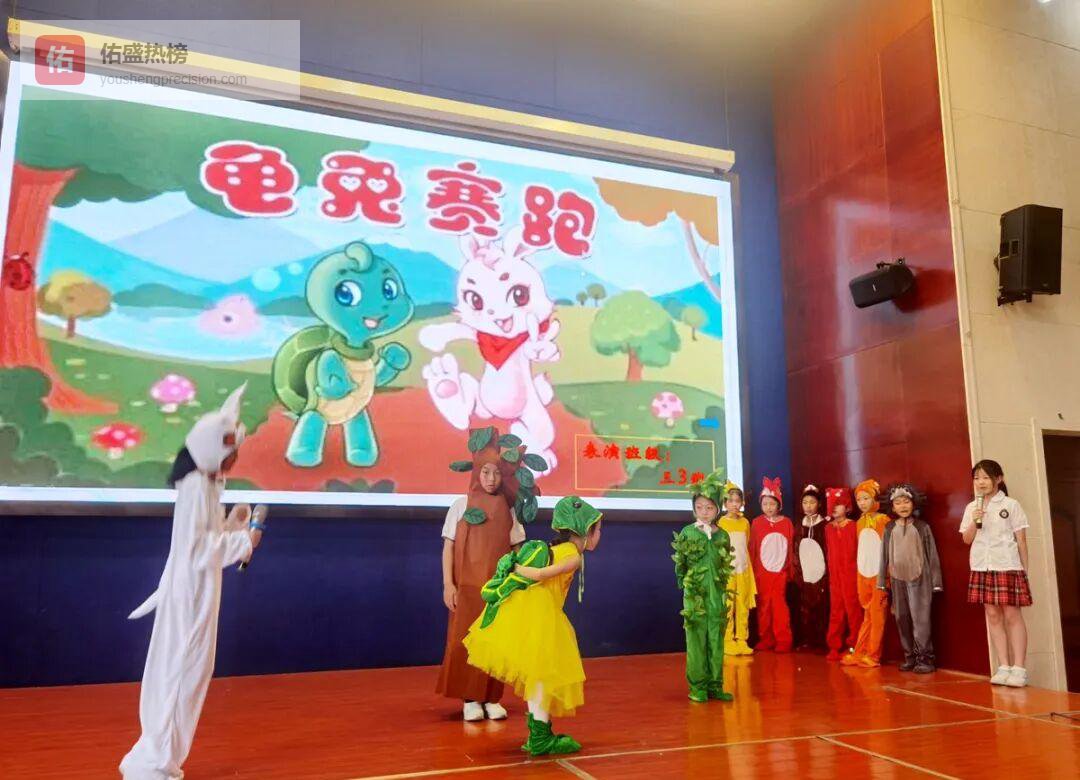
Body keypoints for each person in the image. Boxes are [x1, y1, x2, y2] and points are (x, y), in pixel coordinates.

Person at [120, 384, 262, 780]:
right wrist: (245, 541)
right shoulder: (197, 486)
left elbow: (202, 540)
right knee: (183, 670)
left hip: (197, 588)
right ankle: (156, 763)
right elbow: (199, 550)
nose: (234, 459)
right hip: (193, 590)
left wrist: (232, 525)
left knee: (188, 668)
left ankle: (157, 759)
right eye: (231, 450)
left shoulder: (205, 484)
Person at [464, 496, 602, 756]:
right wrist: (516, 567)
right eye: (597, 530)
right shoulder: (573, 556)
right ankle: (540, 737)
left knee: (538, 676)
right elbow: (539, 575)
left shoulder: (558, 549)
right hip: (539, 613)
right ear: (584, 531)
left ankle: (540, 732)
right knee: (541, 676)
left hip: (532, 610)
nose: (599, 535)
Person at [436, 428, 534, 722]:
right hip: (467, 589)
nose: (491, 479)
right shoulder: (460, 506)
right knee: (465, 640)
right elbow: (448, 547)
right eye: (486, 472)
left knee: (496, 641)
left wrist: (520, 582)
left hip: (498, 591)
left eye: (497, 473)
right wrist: (448, 584)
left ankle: (492, 696)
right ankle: (470, 698)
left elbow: (519, 549)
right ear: (476, 472)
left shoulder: (509, 509)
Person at [962, 459, 1032, 688]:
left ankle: (1019, 668)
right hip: (982, 565)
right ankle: (1004, 666)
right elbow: (966, 539)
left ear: (998, 479)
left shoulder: (1011, 505)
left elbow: (1021, 540)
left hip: (1007, 565)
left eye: (985, 477)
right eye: (977, 478)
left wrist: (1024, 571)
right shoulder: (971, 507)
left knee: (1012, 615)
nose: (980, 482)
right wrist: (975, 520)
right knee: (992, 615)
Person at [673, 470, 736, 702]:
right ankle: (698, 686)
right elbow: (681, 564)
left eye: (709, 507)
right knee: (697, 639)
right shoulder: (687, 533)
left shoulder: (723, 536)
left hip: (717, 595)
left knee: (716, 639)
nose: (704, 512)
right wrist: (687, 586)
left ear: (717, 509)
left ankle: (715, 684)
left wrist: (721, 590)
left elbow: (725, 564)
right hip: (695, 596)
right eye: (699, 507)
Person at [879, 483, 943, 673]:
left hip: (920, 579)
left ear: (914, 503)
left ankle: (925, 658)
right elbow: (883, 555)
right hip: (897, 579)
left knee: (920, 619)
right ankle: (910, 656)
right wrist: (882, 580)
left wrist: (936, 582)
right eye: (898, 503)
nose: (903, 506)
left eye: (906, 501)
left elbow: (932, 555)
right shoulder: (889, 528)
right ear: (892, 507)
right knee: (902, 618)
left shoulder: (922, 527)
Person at [843, 479, 889, 668]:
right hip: (864, 574)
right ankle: (860, 651)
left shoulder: (884, 521)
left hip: (879, 577)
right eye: (859, 499)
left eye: (866, 498)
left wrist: (886, 577)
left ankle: (873, 654)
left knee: (877, 616)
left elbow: (887, 550)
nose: (862, 503)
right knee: (867, 615)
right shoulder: (860, 522)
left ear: (875, 498)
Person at [749, 477, 795, 652]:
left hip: (780, 572)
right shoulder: (756, 523)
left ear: (779, 504)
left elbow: (790, 548)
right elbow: (753, 548)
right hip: (762, 572)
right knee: (764, 606)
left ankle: (783, 639)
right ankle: (766, 638)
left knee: (779, 605)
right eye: (765, 504)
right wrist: (752, 572)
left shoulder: (787, 523)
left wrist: (790, 570)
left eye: (772, 504)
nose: (768, 507)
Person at [718, 481, 756, 656]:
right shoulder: (721, 523)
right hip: (728, 572)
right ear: (725, 503)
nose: (734, 504)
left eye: (737, 501)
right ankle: (727, 640)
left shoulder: (745, 523)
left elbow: (746, 544)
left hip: (743, 570)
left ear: (742, 503)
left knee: (743, 605)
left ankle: (742, 639)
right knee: (728, 606)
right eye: (730, 501)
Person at [824, 487, 861, 662]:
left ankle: (856, 644)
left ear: (847, 507)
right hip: (835, 576)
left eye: (838, 504)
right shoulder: (828, 528)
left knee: (853, 611)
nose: (833, 508)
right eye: (831, 504)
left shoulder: (854, 526)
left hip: (851, 575)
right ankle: (834, 645)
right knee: (836, 611)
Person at [794, 484, 829, 651]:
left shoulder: (825, 525)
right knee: (805, 608)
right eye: (805, 502)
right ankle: (807, 640)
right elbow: (795, 550)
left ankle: (821, 642)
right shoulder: (799, 525)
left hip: (821, 574)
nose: (808, 506)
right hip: (805, 573)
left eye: (812, 502)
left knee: (821, 607)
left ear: (819, 504)